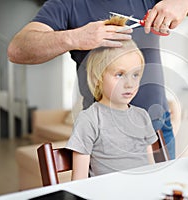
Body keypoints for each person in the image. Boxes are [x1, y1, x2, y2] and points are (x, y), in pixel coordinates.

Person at [7, 0, 188, 160]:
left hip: (157, 126)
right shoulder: (66, 4)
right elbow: (17, 50)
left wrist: (184, 2)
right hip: (104, 135)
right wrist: (76, 38)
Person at [67, 17, 158, 179]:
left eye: (135, 75)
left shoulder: (142, 116)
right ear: (98, 77)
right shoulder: (89, 119)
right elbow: (78, 181)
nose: (130, 84)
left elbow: (151, 169)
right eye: (120, 74)